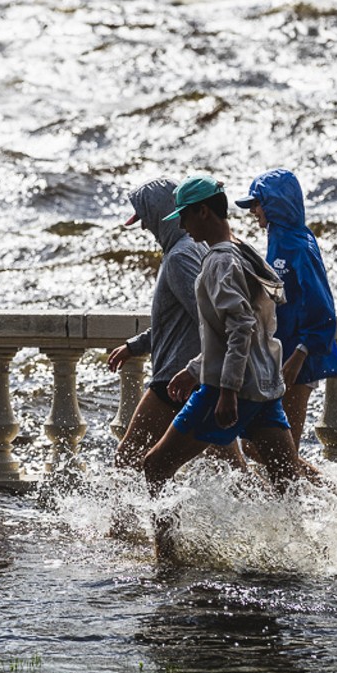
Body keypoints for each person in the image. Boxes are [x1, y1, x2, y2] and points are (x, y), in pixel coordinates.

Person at [141, 174, 303, 496]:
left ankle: (167, 549)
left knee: (154, 467)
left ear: (203, 212)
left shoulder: (217, 260)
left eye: (184, 216)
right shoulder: (244, 252)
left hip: (227, 390)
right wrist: (193, 370)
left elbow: (239, 327)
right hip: (265, 389)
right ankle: (317, 545)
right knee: (290, 487)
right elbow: (251, 322)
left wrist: (226, 390)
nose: (184, 227)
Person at [235, 169, 337, 457]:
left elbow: (324, 311)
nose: (253, 211)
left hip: (296, 363)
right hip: (279, 360)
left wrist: (300, 355)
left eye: (257, 204)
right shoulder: (278, 239)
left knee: (282, 455)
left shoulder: (299, 246)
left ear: (276, 204)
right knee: (258, 447)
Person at [107, 179, 206, 470]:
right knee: (231, 470)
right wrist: (135, 346)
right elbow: (178, 322)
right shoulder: (194, 247)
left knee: (128, 461)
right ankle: (286, 508)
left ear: (162, 214)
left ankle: (126, 518)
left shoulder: (179, 257)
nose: (143, 227)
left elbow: (208, 320)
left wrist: (194, 370)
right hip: (200, 376)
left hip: (176, 379)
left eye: (145, 219)